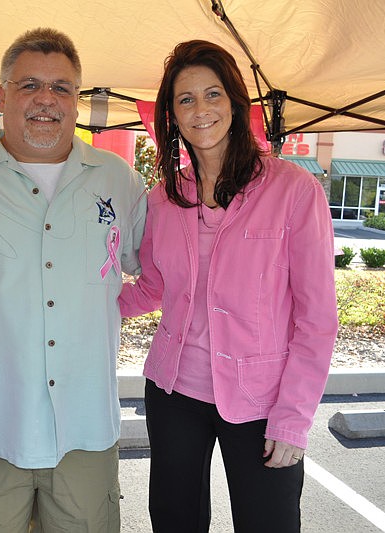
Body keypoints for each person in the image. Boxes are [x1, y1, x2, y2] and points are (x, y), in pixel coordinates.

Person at [0, 27, 147, 532]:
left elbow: (157, 273)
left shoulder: (119, 181)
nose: (46, 99)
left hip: (85, 430)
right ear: (2, 95)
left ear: (76, 100)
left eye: (61, 88)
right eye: (29, 85)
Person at [118, 40, 339, 532]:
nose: (201, 109)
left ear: (236, 102)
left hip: (262, 399)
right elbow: (152, 288)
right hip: (173, 391)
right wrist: (84, 303)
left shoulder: (293, 191)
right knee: (174, 521)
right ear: (172, 116)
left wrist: (293, 419)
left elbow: (317, 319)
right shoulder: (163, 198)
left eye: (212, 94)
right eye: (186, 99)